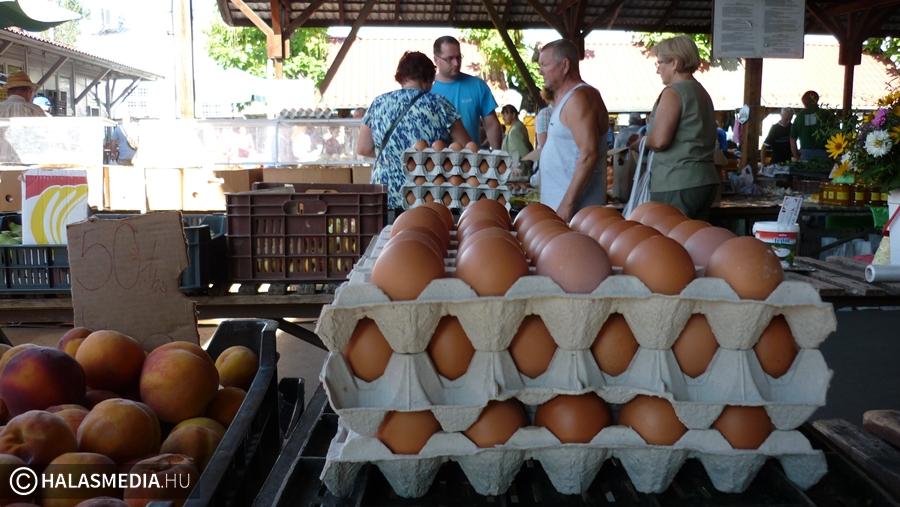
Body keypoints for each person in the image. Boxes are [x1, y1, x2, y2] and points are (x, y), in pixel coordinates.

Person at [358, 51, 472, 211]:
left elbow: (363, 149)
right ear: (429, 77)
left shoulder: (378, 103)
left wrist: (395, 155)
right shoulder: (440, 104)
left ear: (401, 77)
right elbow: (467, 148)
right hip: (429, 196)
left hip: (384, 198)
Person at [636, 35, 719, 220]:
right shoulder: (700, 91)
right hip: (704, 179)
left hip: (677, 181)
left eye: (660, 64)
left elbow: (659, 141)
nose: (658, 70)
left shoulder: (673, 92)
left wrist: (641, 142)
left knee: (671, 243)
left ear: (674, 63)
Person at [537, 39, 609, 222]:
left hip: (576, 212)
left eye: (545, 64)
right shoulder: (565, 98)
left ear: (565, 65)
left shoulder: (580, 98)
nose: (540, 71)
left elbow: (589, 154)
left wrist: (567, 204)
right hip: (563, 210)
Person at [431, 36, 502, 149]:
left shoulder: (478, 86)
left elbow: (491, 124)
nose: (456, 63)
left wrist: (497, 154)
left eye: (458, 57)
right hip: (436, 163)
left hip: (473, 162)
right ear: (436, 60)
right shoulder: (427, 89)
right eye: (449, 59)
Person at [791, 91, 827, 161]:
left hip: (805, 153)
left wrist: (797, 157)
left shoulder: (799, 116)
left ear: (804, 101)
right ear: (817, 99)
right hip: (823, 152)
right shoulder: (825, 114)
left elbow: (792, 139)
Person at [500, 104, 533, 175]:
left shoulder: (515, 130)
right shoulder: (518, 126)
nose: (503, 117)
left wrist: (530, 164)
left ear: (513, 114)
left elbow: (524, 151)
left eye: (505, 115)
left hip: (519, 172)